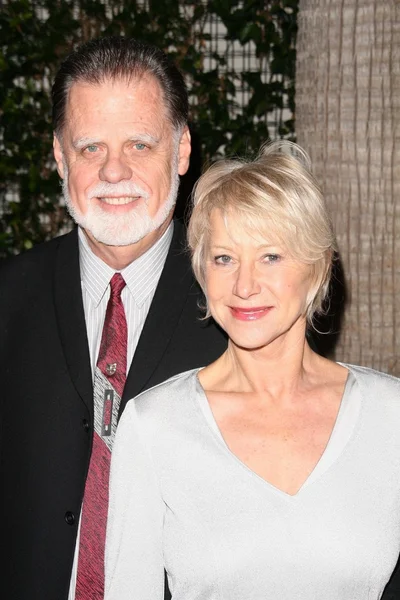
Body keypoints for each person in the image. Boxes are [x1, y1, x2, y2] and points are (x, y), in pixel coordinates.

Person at [104, 140, 400, 600]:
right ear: (203, 272)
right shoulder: (154, 425)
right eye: (224, 258)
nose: (244, 284)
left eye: (271, 256)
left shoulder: (390, 415)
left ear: (317, 269)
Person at [0, 36, 227, 600]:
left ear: (181, 151)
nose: (114, 171)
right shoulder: (6, 298)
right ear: (59, 156)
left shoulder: (239, 306)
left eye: (140, 145)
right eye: (91, 148)